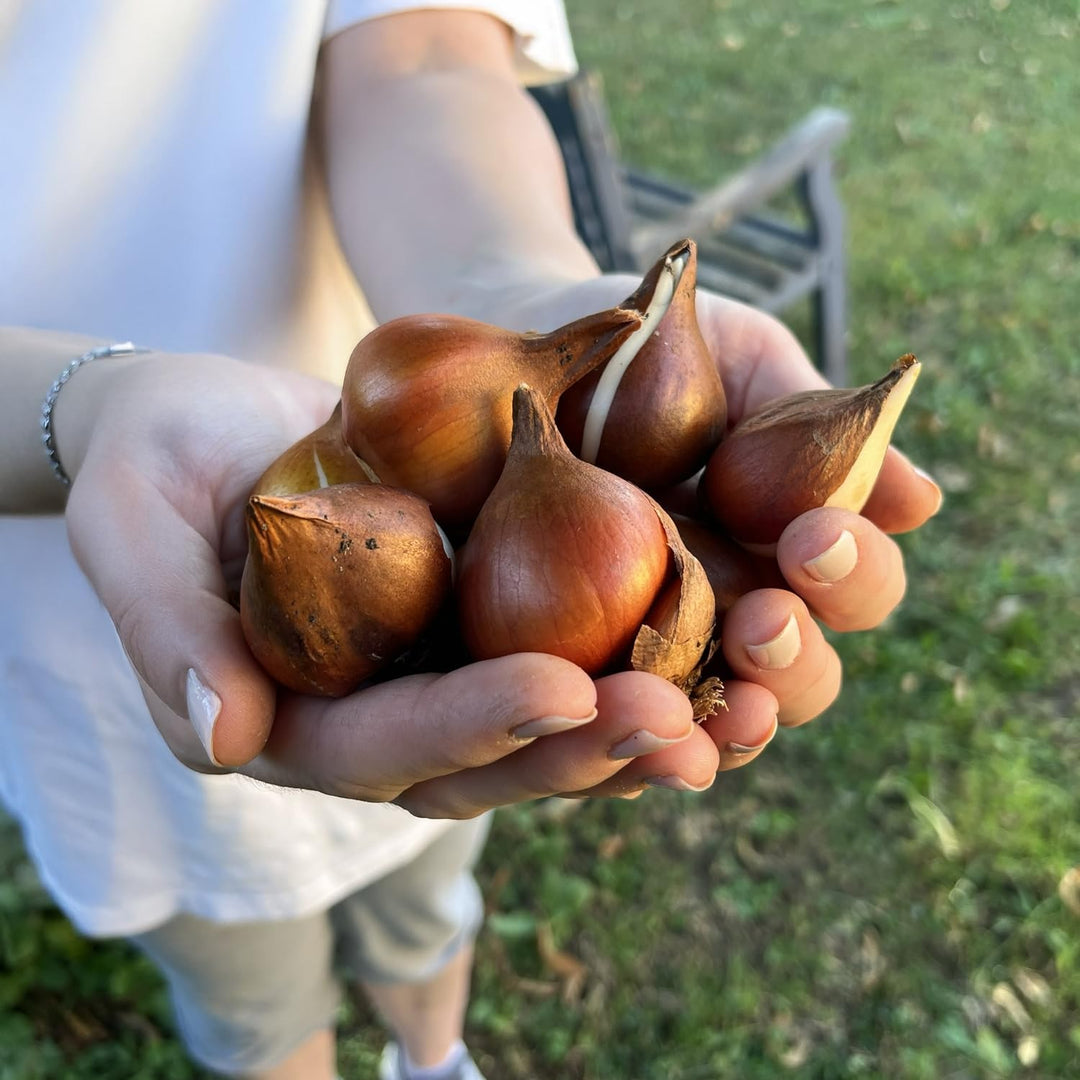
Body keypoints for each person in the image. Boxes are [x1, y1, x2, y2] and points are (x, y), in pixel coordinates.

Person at [0, 3, 942, 1078]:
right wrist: (81, 409)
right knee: (250, 994)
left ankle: (431, 1057)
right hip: (88, 647)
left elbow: (424, 54)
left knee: (427, 895)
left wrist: (513, 296)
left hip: (434, 572)